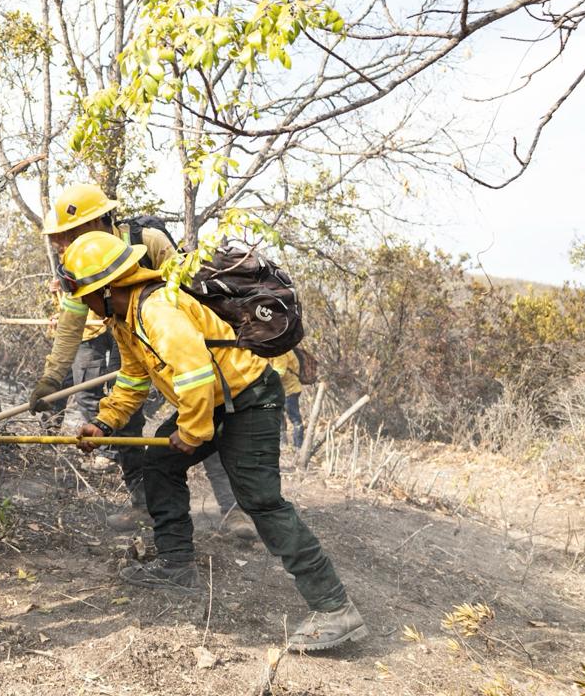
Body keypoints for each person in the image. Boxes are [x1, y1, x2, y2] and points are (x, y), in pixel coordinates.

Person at [62, 231, 367, 652]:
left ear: (105, 288)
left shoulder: (158, 310)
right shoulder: (126, 320)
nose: (82, 303)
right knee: (158, 462)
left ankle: (335, 608)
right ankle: (175, 565)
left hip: (249, 398)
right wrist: (104, 423)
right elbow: (133, 380)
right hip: (218, 401)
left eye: (83, 293)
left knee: (259, 499)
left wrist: (193, 431)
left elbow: (195, 375)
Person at [29, 183, 251, 537]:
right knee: (124, 422)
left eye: (67, 234)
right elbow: (72, 326)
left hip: (172, 337)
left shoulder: (149, 241)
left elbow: (189, 294)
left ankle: (234, 510)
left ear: (97, 223)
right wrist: (52, 379)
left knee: (200, 413)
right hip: (122, 335)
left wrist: (183, 353)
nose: (61, 244)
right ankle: (142, 503)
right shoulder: (75, 264)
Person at [269, 351, 305, 449]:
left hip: (289, 390)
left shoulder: (280, 352)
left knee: (295, 419)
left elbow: (280, 373)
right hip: (281, 390)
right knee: (279, 417)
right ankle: (283, 446)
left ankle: (298, 446)